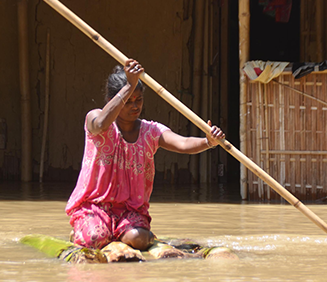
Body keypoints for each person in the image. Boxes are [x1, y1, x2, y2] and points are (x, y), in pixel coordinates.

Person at [65, 59, 225, 252]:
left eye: (138, 100)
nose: (134, 106)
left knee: (139, 239)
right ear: (111, 101)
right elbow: (100, 125)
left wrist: (208, 141)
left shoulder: (150, 131)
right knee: (95, 239)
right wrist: (130, 85)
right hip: (95, 206)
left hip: (130, 211)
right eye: (128, 100)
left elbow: (183, 143)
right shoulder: (96, 118)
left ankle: (124, 233)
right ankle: (89, 231)